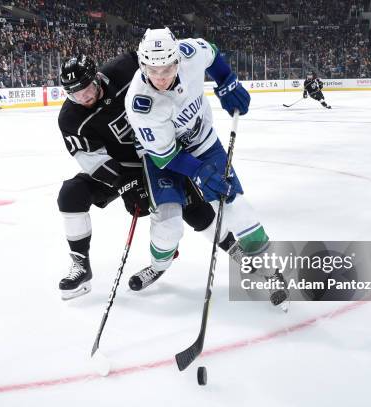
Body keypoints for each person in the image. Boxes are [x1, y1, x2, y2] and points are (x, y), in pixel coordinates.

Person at [55, 53, 243, 300]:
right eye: (75, 94)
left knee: (193, 211)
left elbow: (161, 67)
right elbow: (92, 159)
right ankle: (81, 265)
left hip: (160, 157)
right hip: (120, 168)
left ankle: (236, 252)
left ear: (97, 78)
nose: (84, 97)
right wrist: (125, 184)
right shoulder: (70, 119)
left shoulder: (124, 68)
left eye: (87, 88)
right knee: (71, 194)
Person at [124, 28, 288, 306]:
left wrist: (227, 82)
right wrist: (198, 172)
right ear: (142, 65)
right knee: (169, 226)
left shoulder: (189, 53)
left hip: (203, 142)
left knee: (236, 207)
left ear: (177, 59)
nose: (161, 77)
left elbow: (211, 52)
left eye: (167, 67)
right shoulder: (140, 104)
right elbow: (166, 157)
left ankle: (271, 271)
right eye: (153, 69)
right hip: (163, 159)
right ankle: (159, 265)